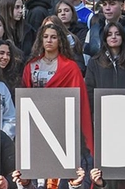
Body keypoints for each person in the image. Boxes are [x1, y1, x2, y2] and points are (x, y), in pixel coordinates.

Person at [22, 21, 93, 153]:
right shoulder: (30, 65)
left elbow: (79, 98)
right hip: (36, 118)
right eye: (46, 37)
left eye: (53, 37)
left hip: (62, 119)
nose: (49, 40)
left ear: (60, 41)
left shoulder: (71, 67)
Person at [85, 22, 125, 91]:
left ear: (123, 37)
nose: (113, 37)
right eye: (109, 35)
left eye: (117, 34)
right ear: (105, 38)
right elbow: (89, 88)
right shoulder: (94, 62)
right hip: (102, 101)